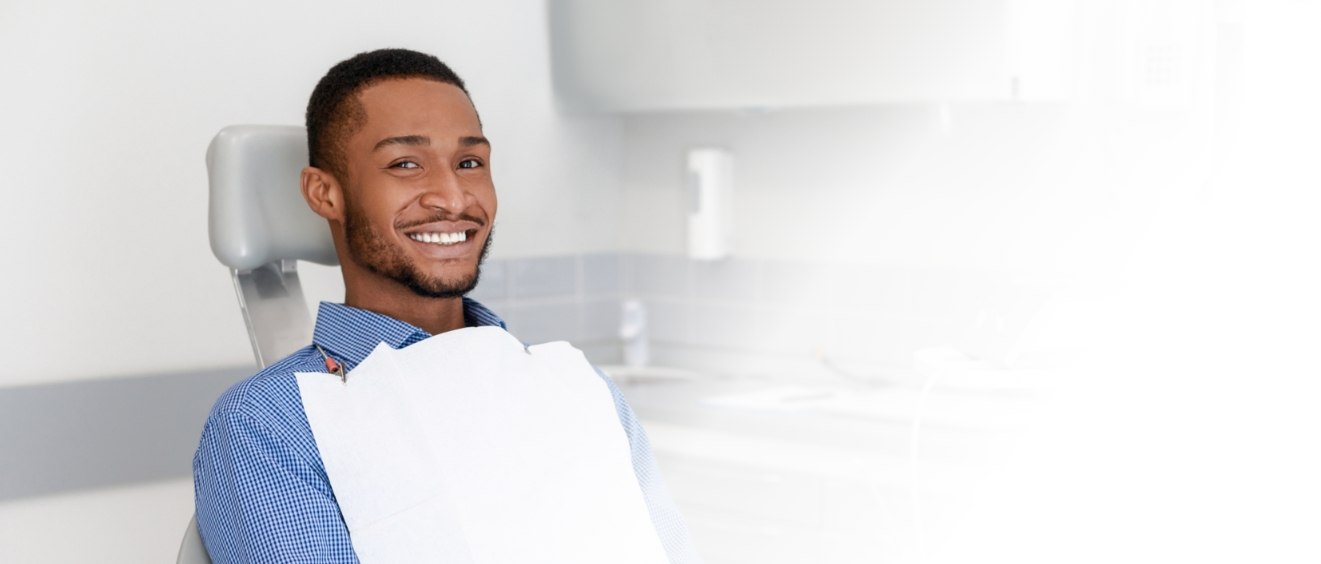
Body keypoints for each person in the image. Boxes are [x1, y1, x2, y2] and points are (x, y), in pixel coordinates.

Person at [193, 48, 700, 563]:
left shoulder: (582, 390)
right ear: (325, 194)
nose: (454, 197)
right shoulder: (270, 425)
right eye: (406, 164)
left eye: (470, 162)